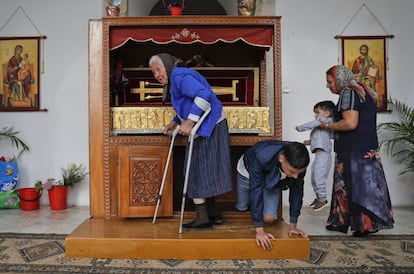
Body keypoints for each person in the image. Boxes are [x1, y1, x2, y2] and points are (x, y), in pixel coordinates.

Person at [149, 53, 232, 230]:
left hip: (209, 125)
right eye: (153, 72)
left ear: (167, 65)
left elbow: (204, 96)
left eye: (158, 69)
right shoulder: (176, 78)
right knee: (206, 169)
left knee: (195, 168)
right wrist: (175, 122)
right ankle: (212, 213)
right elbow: (187, 105)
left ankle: (203, 219)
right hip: (211, 124)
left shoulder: (178, 76)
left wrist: (189, 122)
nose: (156, 75)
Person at [320, 65, 394, 237]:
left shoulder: (349, 93)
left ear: (339, 80)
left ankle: (364, 226)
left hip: (354, 150)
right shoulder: (362, 89)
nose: (328, 86)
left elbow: (350, 123)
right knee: (347, 185)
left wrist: (328, 125)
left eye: (330, 82)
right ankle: (341, 221)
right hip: (363, 147)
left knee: (357, 186)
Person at [236, 140, 310, 250]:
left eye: (298, 173)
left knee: (269, 219)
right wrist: (260, 231)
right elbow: (255, 190)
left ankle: (257, 212)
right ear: (281, 158)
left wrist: (293, 225)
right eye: (292, 172)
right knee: (242, 207)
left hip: (274, 180)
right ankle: (254, 212)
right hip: (248, 174)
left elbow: (297, 193)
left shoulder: (299, 165)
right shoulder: (261, 156)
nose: (295, 177)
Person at [295, 100, 335, 211]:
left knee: (318, 177)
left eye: (317, 112)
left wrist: (300, 127)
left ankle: (322, 199)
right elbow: (318, 138)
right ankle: (318, 197)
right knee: (314, 177)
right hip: (318, 154)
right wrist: (308, 142)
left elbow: (313, 124)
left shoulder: (325, 121)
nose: (315, 115)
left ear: (327, 113)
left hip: (323, 154)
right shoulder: (321, 125)